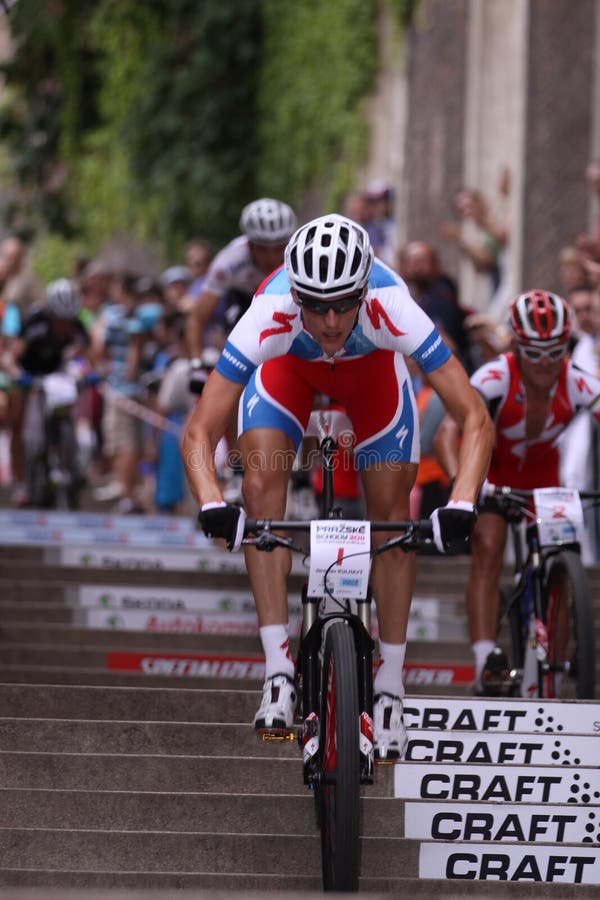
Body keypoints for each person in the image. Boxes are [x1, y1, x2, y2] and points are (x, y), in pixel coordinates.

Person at [182, 213, 493, 760]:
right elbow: (200, 429)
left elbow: (474, 416)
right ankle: (278, 671)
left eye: (343, 303)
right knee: (259, 487)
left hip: (371, 374)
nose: (329, 321)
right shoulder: (269, 311)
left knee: (393, 514)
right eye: (316, 305)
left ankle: (392, 688)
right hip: (289, 373)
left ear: (365, 289)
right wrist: (213, 501)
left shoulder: (392, 305)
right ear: (294, 293)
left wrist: (463, 500)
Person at [434, 289, 600, 692]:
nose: (545, 363)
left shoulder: (578, 383)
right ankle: (483, 660)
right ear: (516, 347)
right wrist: (466, 490)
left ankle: (555, 675)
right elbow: (446, 434)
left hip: (545, 482)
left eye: (555, 351)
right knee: (489, 547)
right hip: (493, 474)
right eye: (534, 352)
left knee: (561, 558)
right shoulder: (495, 376)